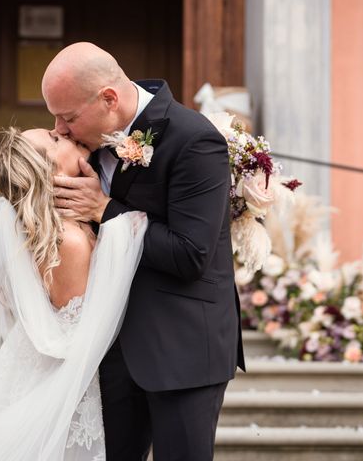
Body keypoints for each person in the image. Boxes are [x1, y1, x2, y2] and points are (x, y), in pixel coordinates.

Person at [44, 42, 246, 461]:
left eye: (67, 116)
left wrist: (106, 210)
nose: (60, 129)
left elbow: (190, 254)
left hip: (183, 350)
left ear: (109, 99)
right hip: (111, 351)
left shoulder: (194, 140)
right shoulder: (86, 144)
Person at [0, 127, 147, 460]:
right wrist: (129, 229)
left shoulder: (69, 229)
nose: (63, 130)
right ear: (51, 172)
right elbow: (77, 332)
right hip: (69, 391)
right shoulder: (68, 241)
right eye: (55, 138)